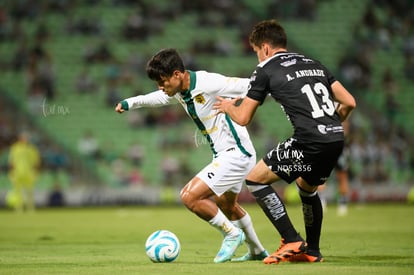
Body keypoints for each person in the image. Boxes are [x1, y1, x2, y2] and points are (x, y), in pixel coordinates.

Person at [214, 19, 356, 264]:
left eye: (257, 51)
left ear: (265, 48)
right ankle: (312, 251)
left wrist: (228, 107)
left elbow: (244, 118)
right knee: (307, 188)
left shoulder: (265, 69)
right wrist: (331, 126)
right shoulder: (314, 64)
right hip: (334, 139)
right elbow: (350, 102)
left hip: (308, 141)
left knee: (255, 180)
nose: (258, 57)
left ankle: (291, 239)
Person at [115, 48, 268, 263]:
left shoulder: (209, 83)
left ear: (177, 74)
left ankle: (232, 234)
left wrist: (247, 100)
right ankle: (257, 251)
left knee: (190, 196)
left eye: (163, 81)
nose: (161, 87)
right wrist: (130, 103)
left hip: (237, 154)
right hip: (226, 154)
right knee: (228, 206)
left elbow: (251, 85)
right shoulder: (178, 90)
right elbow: (159, 98)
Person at [8, 131, 41, 212]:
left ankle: (30, 208)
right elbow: (11, 162)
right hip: (17, 173)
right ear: (20, 138)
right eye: (24, 137)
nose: (25, 139)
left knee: (29, 191)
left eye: (26, 137)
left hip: (29, 173)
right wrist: (11, 172)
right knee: (17, 191)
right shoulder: (15, 148)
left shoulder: (32, 149)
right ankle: (18, 208)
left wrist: (36, 171)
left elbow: (36, 161)